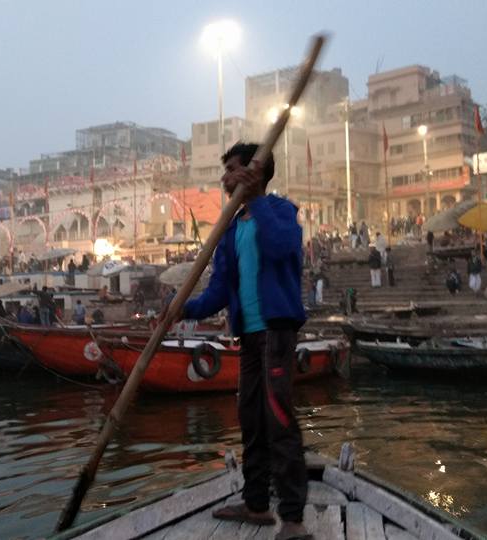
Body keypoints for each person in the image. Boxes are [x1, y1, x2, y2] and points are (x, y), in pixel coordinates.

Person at [178, 142, 309, 538]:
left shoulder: (281, 212)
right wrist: (182, 309)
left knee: (278, 418)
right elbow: (219, 289)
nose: (225, 178)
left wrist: (256, 198)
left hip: (276, 332)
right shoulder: (230, 228)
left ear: (254, 172)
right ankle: (256, 505)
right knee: (250, 419)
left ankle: (293, 518)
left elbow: (281, 247)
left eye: (232, 170)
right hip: (249, 338)